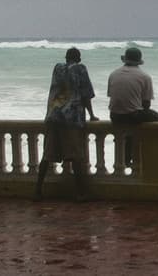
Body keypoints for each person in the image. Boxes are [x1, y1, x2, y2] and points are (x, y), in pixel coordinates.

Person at [34, 47, 98, 202]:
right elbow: (86, 95)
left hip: (53, 115)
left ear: (66, 58)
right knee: (75, 156)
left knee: (47, 155)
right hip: (71, 118)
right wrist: (91, 115)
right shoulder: (81, 69)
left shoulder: (58, 68)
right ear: (79, 58)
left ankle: (37, 191)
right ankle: (80, 193)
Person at [108, 47, 158, 165]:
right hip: (132, 115)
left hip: (114, 115)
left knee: (129, 127)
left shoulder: (113, 74)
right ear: (139, 61)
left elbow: (112, 96)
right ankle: (153, 154)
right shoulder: (144, 77)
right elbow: (146, 105)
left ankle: (127, 157)